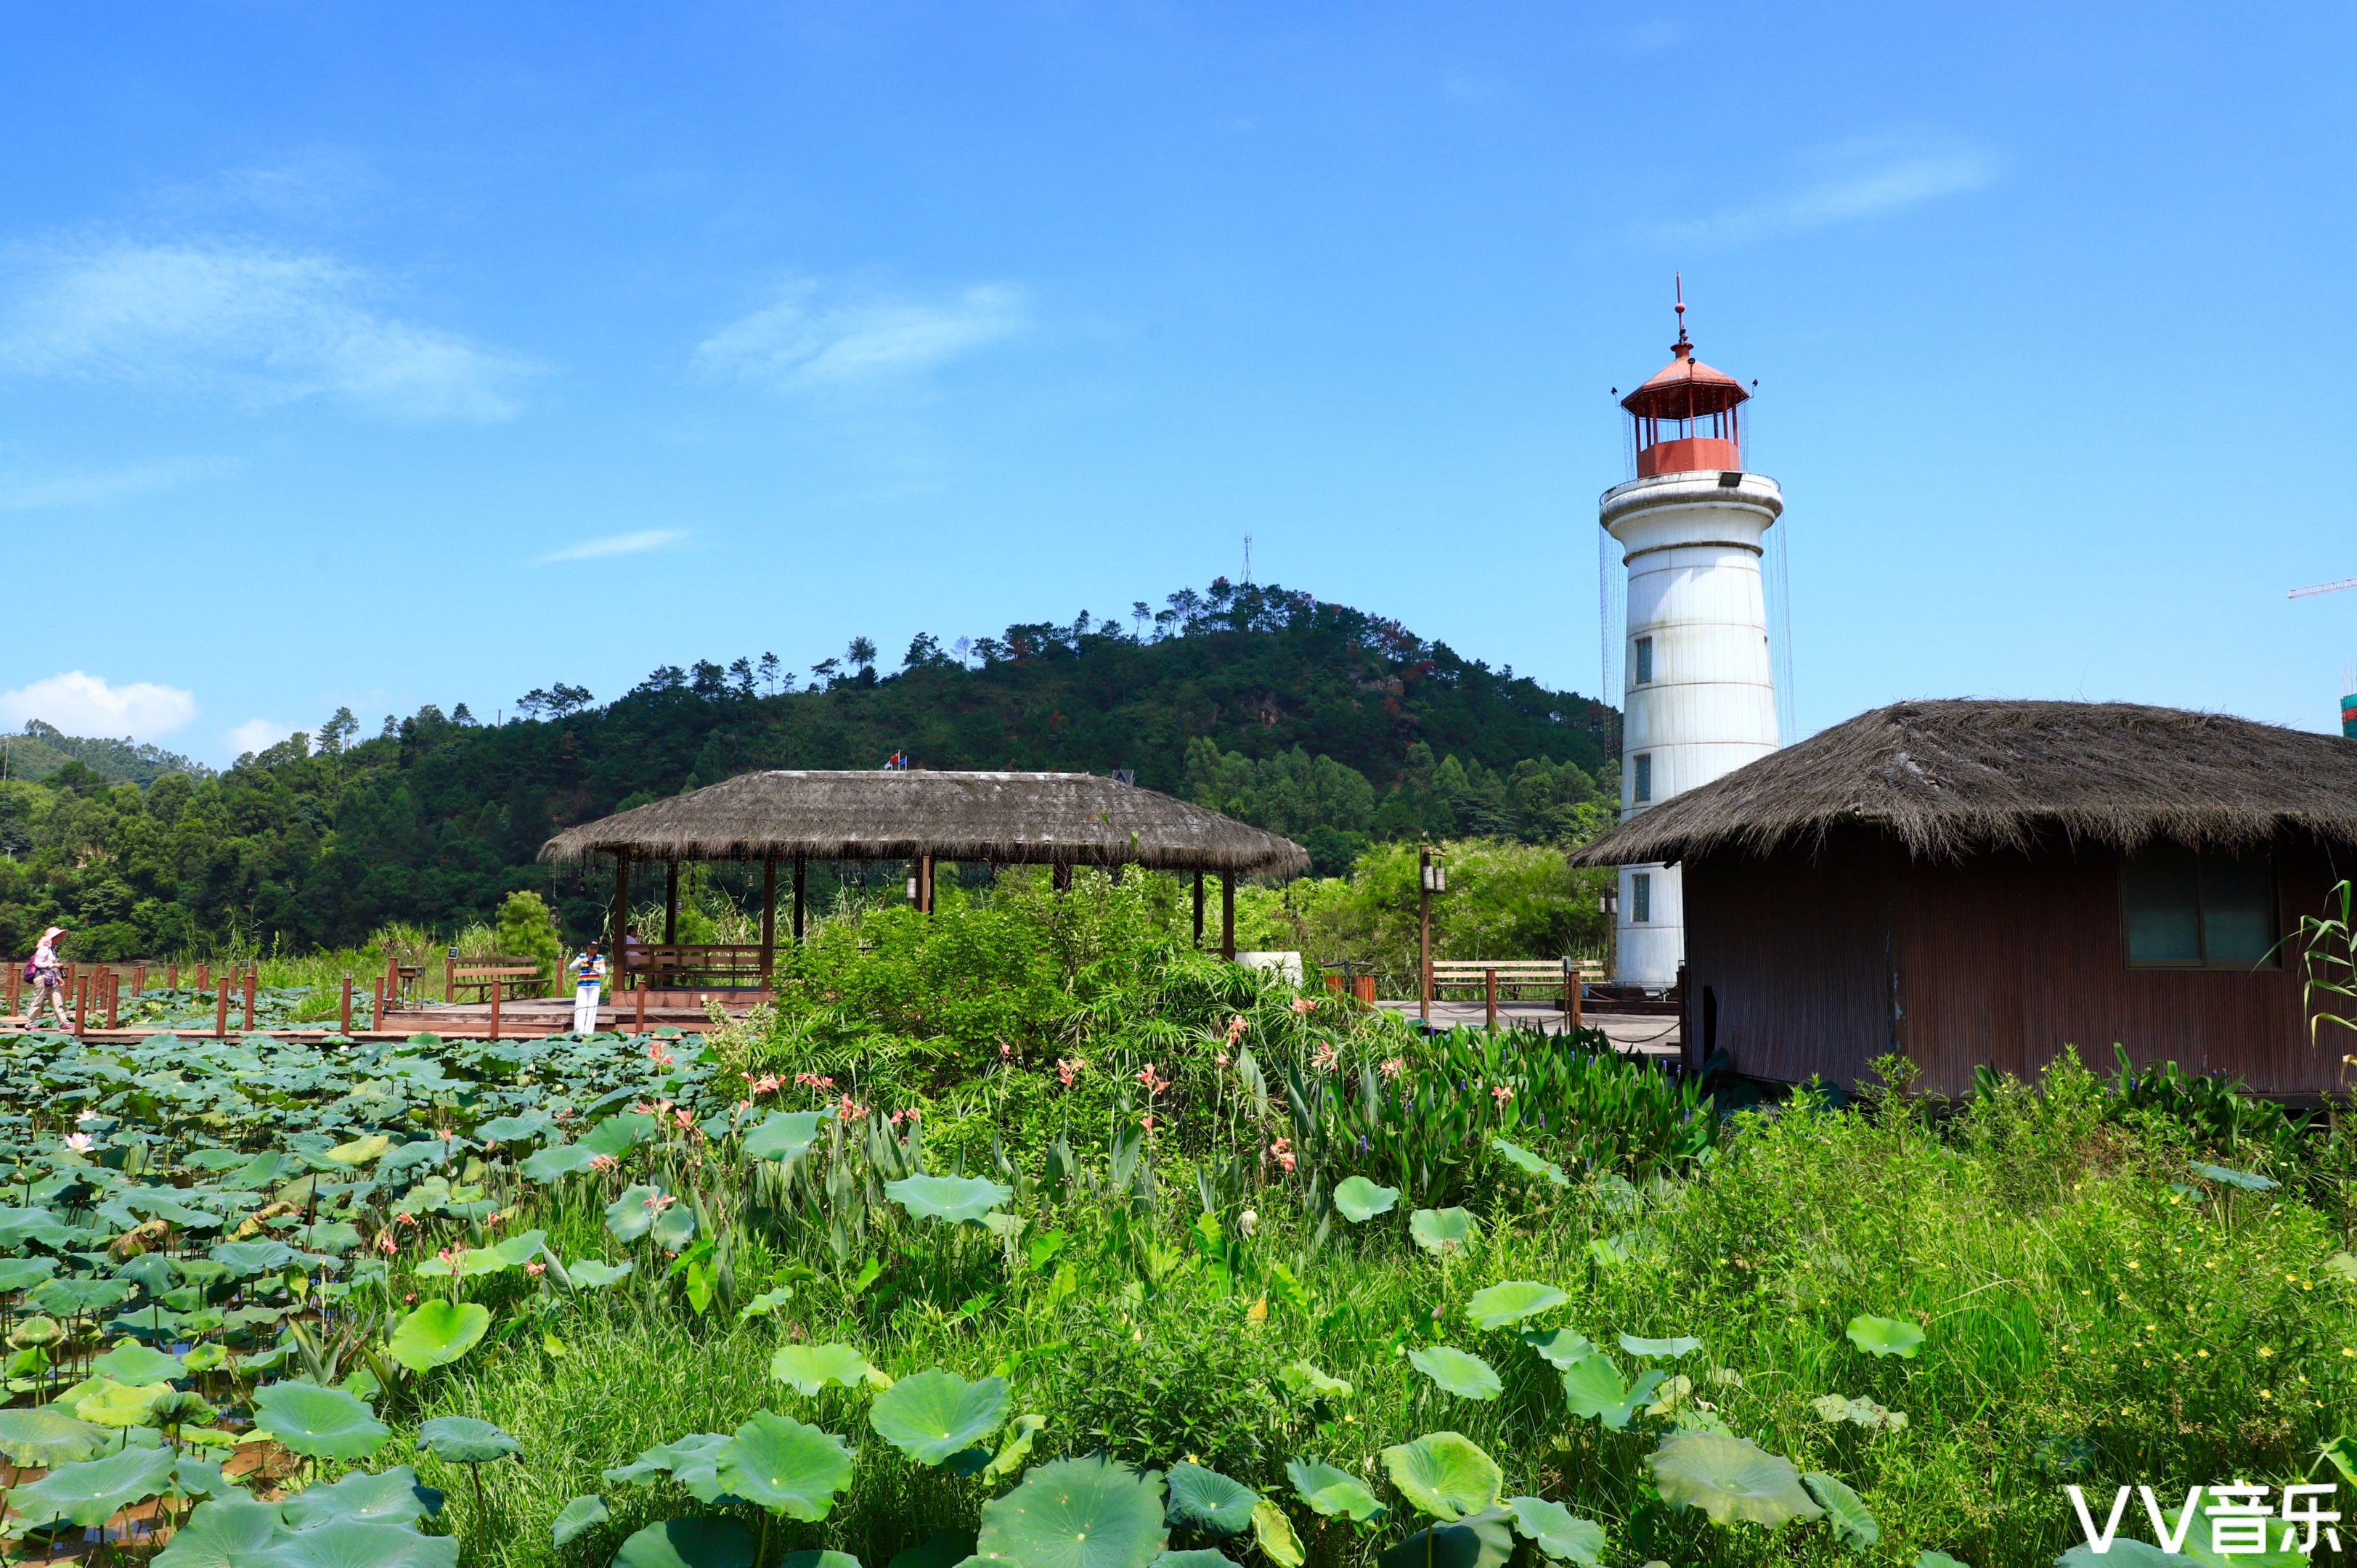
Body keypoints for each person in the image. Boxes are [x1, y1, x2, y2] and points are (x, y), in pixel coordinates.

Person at [23, 926, 69, 1032]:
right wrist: (54, 965)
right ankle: (29, 1025)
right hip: (42, 978)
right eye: (57, 936)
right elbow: (38, 963)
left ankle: (64, 1024)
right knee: (37, 1002)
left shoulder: (53, 949)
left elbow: (51, 964)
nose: (59, 938)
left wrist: (57, 977)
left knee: (58, 1002)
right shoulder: (43, 948)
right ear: (52, 938)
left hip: (52, 979)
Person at [568, 941, 606, 1036]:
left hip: (594, 985)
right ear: (588, 947)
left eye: (595, 948)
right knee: (580, 1007)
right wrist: (582, 961)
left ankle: (589, 1032)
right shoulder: (582, 956)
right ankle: (579, 1031)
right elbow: (571, 967)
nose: (593, 950)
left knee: (592, 1009)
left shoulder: (600, 957)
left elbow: (603, 972)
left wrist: (595, 969)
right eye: (591, 947)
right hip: (582, 985)